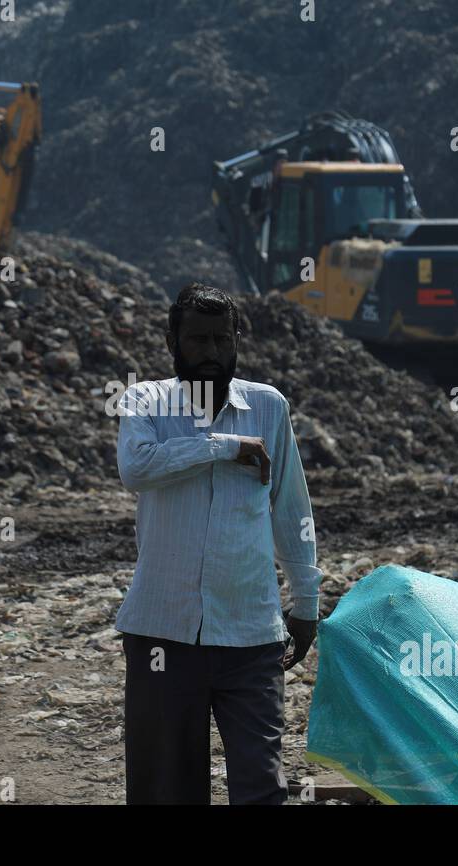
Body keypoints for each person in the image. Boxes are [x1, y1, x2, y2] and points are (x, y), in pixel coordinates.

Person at [114, 282, 322, 805]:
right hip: (163, 631)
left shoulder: (268, 407)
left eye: (221, 340)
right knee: (167, 789)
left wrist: (307, 601)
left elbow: (291, 509)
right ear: (172, 341)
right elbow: (136, 469)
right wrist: (222, 447)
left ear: (237, 342)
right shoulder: (146, 400)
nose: (211, 353)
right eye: (198, 340)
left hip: (250, 632)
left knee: (261, 785)